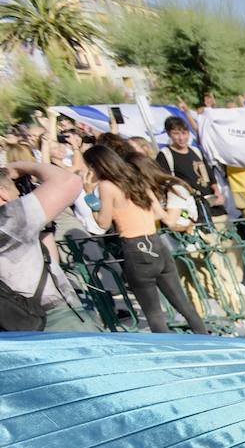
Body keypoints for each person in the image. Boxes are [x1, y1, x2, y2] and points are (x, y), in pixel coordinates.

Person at [84, 143, 207, 335]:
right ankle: (206, 340)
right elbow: (158, 214)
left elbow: (102, 223)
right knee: (184, 304)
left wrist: (90, 196)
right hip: (157, 243)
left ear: (95, 166)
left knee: (154, 314)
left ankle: (169, 354)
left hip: (135, 248)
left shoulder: (106, 186)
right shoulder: (136, 178)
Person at [0, 157, 82, 330]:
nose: (20, 195)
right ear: (3, 193)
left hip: (10, 327)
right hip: (53, 317)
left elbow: (50, 259)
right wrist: (19, 166)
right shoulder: (8, 220)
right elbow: (69, 181)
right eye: (16, 189)